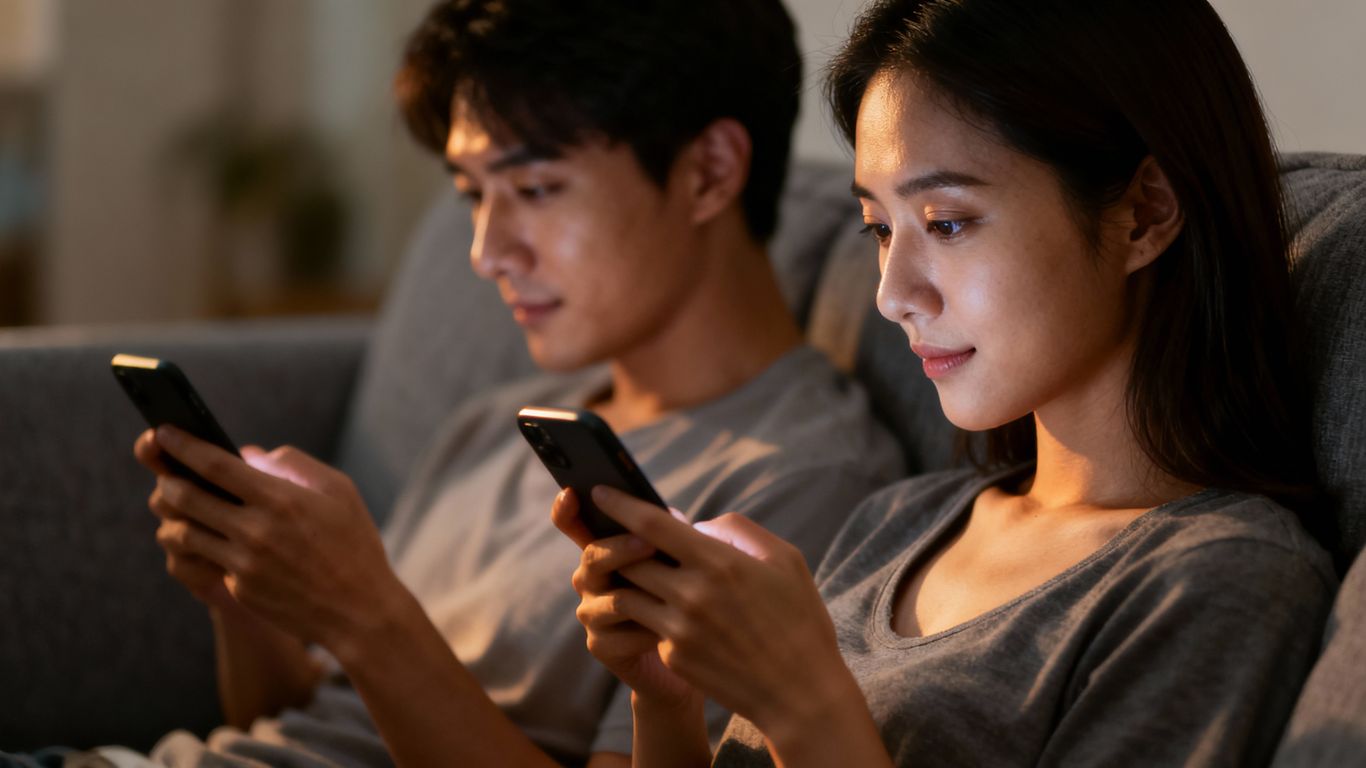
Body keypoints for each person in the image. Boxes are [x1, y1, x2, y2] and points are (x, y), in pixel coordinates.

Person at [2, 2, 904, 767]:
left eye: (536, 189)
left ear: (709, 171)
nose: (485, 253)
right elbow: (302, 727)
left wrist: (365, 612)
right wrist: (247, 605)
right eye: (472, 194)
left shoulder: (793, 487)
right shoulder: (494, 424)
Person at [554, 0, 1338, 765]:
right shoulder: (897, 523)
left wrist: (802, 702)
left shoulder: (1221, 578)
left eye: (947, 223)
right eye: (879, 229)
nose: (892, 295)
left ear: (1144, 212)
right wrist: (666, 701)